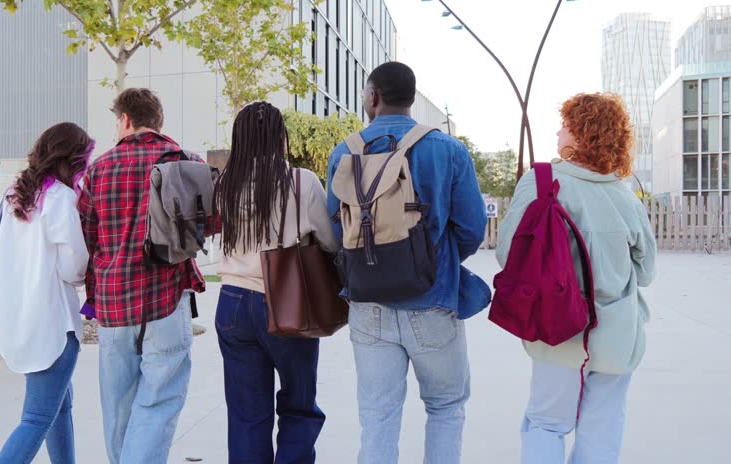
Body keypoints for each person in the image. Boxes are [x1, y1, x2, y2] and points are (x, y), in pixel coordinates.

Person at [326, 61, 488, 464]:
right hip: (432, 299)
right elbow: (471, 227)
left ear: (373, 96)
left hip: (368, 305)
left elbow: (335, 231)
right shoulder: (448, 149)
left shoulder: (346, 151)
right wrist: (436, 261)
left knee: (378, 417)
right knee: (446, 409)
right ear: (411, 99)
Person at [496, 92, 657, 464]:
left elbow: (509, 254)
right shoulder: (626, 198)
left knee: (546, 424)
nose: (557, 132)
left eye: (566, 126)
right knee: (602, 431)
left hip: (558, 328)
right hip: (618, 336)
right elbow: (646, 272)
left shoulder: (541, 182)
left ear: (583, 135)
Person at [78, 88, 206, 463]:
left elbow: (87, 237)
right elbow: (209, 225)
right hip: (167, 297)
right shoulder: (188, 162)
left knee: (118, 407)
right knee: (159, 402)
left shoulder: (98, 170)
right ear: (158, 120)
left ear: (125, 120)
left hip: (115, 302)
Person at [213, 102, 337, 464]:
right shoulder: (302, 182)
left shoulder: (226, 185)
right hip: (288, 299)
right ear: (279, 137)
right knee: (298, 406)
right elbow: (329, 242)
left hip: (232, 301)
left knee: (246, 414)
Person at [0, 122, 94, 464]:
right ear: (73, 159)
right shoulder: (61, 199)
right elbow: (74, 268)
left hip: (18, 319)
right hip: (53, 324)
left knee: (59, 407)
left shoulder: (12, 195)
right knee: (37, 418)